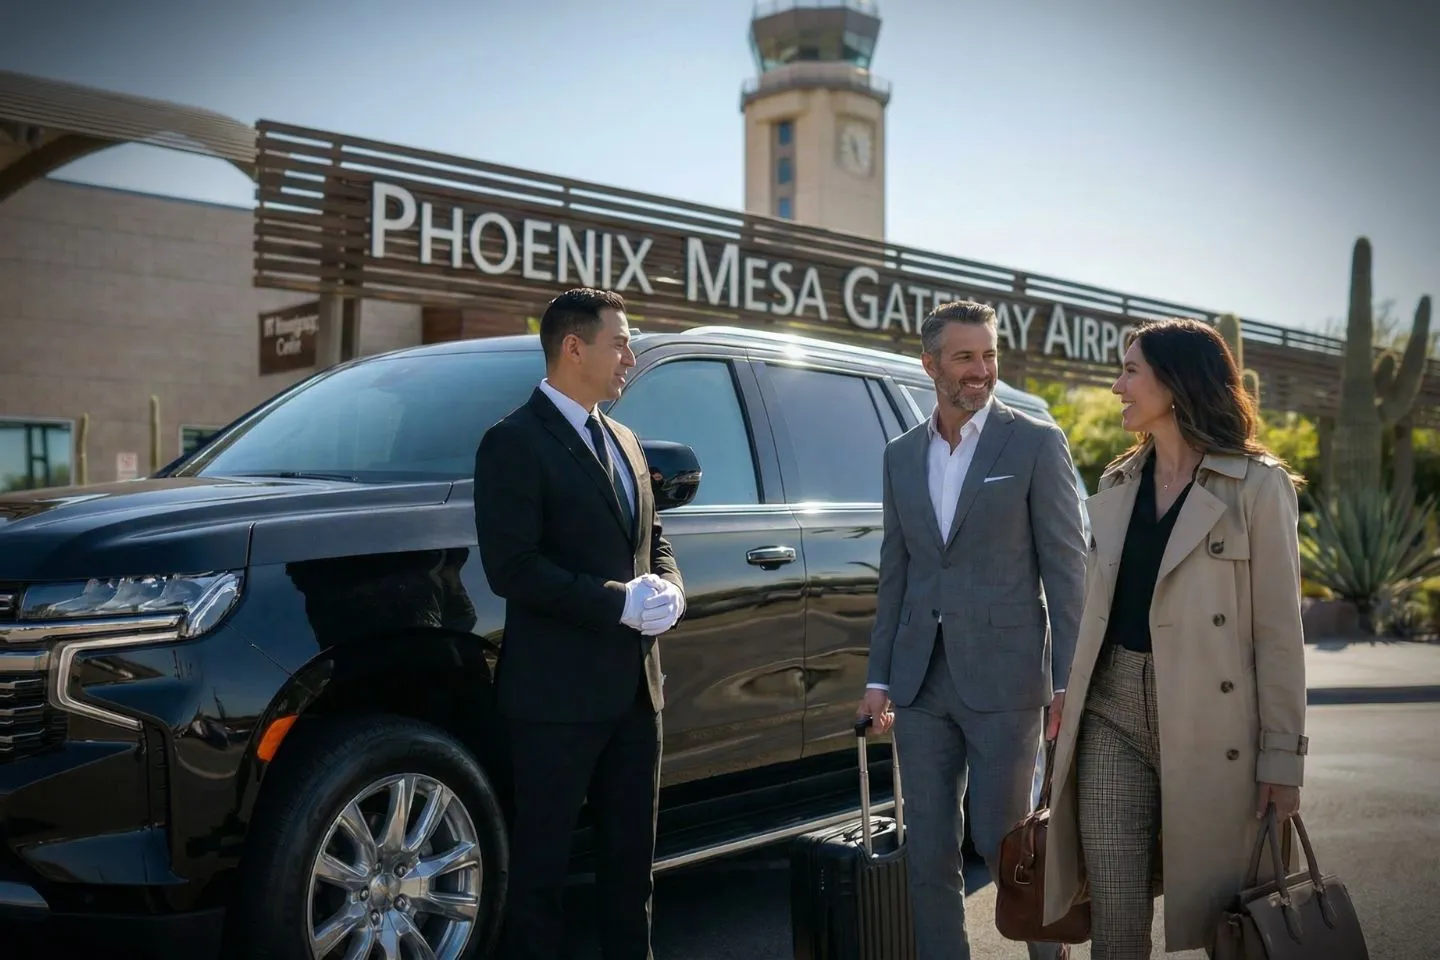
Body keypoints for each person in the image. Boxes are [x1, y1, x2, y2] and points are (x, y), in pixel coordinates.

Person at [1040, 317, 1308, 958]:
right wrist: (1066, 696)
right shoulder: (1117, 483)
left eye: (1130, 370)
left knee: (1226, 921)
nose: (1116, 386)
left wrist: (1283, 760)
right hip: (1111, 710)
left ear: (1176, 381)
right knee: (1116, 912)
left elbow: (1279, 635)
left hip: (1215, 723)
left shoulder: (1257, 486)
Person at [857, 299, 1086, 960]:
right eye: (965, 357)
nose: (980, 370)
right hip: (920, 682)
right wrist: (878, 678)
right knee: (926, 847)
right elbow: (894, 572)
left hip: (1007, 682)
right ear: (930, 364)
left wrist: (1068, 683)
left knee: (1007, 842)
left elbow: (1067, 572)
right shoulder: (901, 455)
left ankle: (1049, 955)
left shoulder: (1036, 442)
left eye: (988, 355)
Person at [474, 287, 686, 960]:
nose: (630, 355)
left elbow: (652, 539)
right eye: (620, 341)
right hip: (553, 703)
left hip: (635, 696)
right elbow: (513, 568)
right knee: (540, 878)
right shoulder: (511, 442)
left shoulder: (624, 438)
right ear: (573, 346)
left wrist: (672, 590)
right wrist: (616, 603)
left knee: (632, 873)